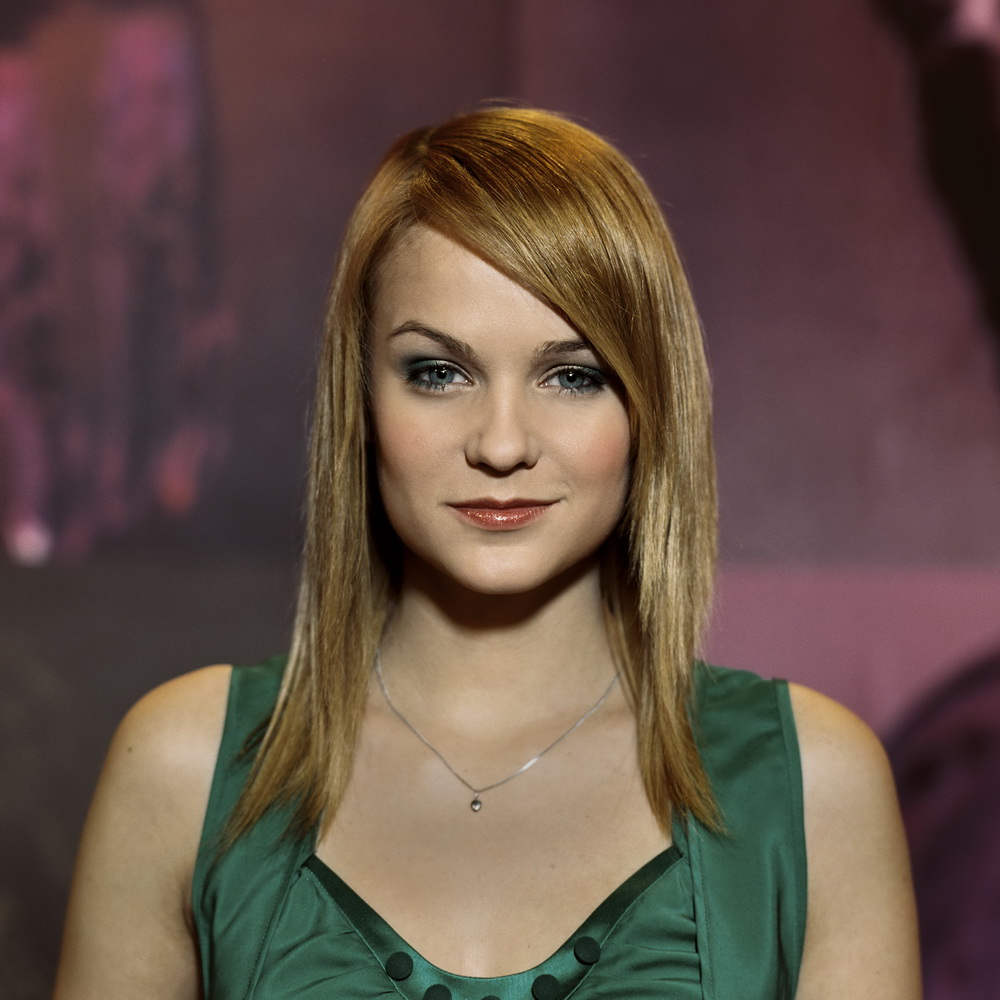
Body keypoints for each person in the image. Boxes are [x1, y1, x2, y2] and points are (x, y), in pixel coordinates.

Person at [52, 107, 920, 999]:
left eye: (572, 375)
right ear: (362, 399)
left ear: (650, 404)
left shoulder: (812, 788)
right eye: (438, 373)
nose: (502, 444)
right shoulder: (186, 770)